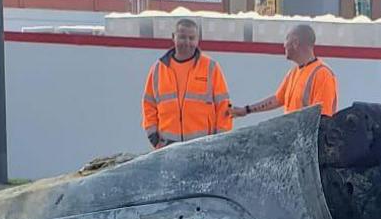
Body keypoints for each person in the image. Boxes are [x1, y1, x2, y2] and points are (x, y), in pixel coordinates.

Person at [142, 18, 233, 148]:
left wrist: (219, 142)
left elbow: (223, 107)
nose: (187, 42)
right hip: (168, 148)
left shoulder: (211, 67)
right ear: (173, 37)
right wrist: (153, 136)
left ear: (198, 40)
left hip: (202, 147)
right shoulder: (158, 69)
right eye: (182, 37)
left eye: (192, 38)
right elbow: (148, 105)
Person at [236, 24, 338, 118]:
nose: (284, 45)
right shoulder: (293, 73)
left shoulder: (322, 74)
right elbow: (277, 100)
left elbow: (323, 118)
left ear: (295, 43)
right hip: (295, 137)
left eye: (286, 39)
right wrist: (246, 110)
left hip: (307, 138)